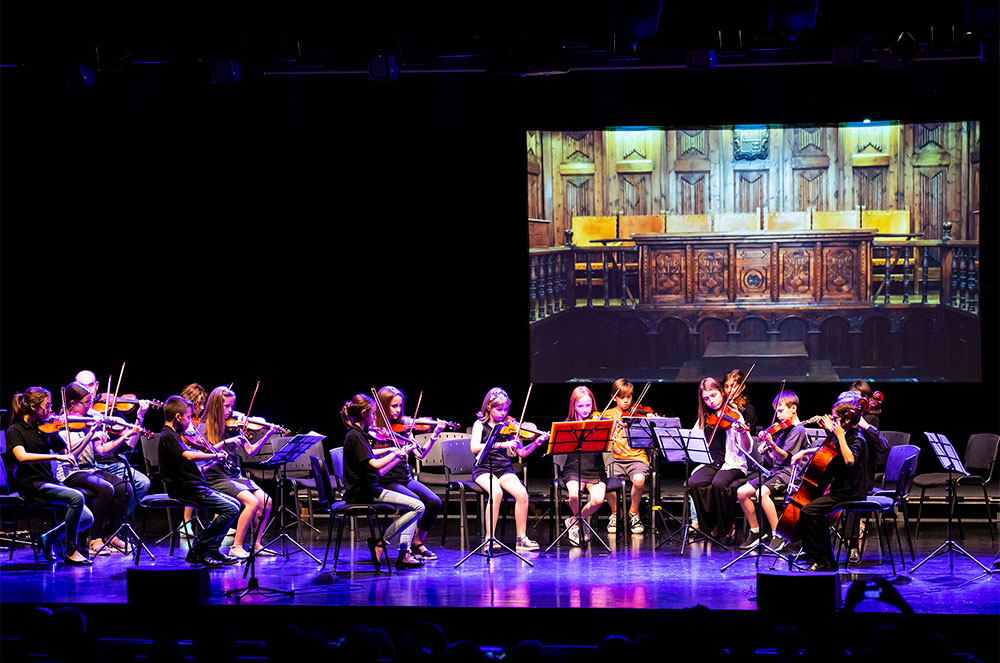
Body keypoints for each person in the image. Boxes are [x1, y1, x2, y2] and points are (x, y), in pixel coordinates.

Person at [789, 390, 887, 571]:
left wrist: (839, 435)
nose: (833, 422)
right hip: (840, 490)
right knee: (815, 512)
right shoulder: (848, 434)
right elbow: (833, 452)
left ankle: (822, 559)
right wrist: (834, 434)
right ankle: (825, 559)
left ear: (847, 420)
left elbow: (849, 460)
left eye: (835, 418)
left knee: (809, 511)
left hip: (850, 492)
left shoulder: (856, 437)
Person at [7, 387, 94, 565]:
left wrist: (89, 435)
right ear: (33, 407)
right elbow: (21, 457)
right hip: (30, 484)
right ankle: (71, 551)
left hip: (48, 481)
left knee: (87, 518)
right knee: (77, 497)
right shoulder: (15, 431)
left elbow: (70, 454)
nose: (50, 410)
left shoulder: (46, 428)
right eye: (47, 406)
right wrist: (55, 456)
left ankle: (47, 539)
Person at [341, 393, 426, 570]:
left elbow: (371, 455)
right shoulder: (355, 437)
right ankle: (381, 542)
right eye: (373, 414)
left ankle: (403, 554)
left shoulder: (359, 434)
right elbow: (376, 465)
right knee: (418, 506)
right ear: (364, 413)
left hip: (369, 488)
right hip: (364, 493)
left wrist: (392, 448)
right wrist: (396, 453)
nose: (375, 417)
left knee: (414, 506)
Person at [55, 381, 139, 556]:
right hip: (70, 472)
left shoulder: (87, 422)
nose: (89, 407)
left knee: (125, 488)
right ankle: (95, 539)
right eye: (86, 403)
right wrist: (90, 435)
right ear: (72, 403)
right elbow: (71, 454)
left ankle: (111, 534)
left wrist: (123, 437)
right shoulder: (61, 424)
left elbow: (101, 449)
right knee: (106, 489)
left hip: (90, 469)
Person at [157, 395, 241, 567]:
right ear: (178, 417)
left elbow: (195, 468)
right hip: (185, 489)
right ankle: (199, 549)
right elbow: (188, 455)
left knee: (234, 505)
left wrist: (213, 461)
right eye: (188, 417)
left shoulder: (176, 435)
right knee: (230, 508)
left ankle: (211, 548)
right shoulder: (168, 436)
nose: (190, 422)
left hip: (194, 485)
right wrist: (215, 454)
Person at [198, 386, 280, 560]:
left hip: (234, 475)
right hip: (216, 476)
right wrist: (226, 441)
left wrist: (268, 434)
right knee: (251, 502)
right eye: (226, 406)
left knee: (266, 502)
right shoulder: (204, 427)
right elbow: (203, 453)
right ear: (215, 406)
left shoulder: (234, 426)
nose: (230, 411)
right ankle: (237, 546)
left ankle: (257, 544)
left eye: (231, 406)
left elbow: (250, 451)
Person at [469, 387, 548, 553]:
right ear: (488, 407)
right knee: (496, 492)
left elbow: (521, 452)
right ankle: (489, 538)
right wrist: (501, 444)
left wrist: (535, 443)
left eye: (505, 409)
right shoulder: (480, 424)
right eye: (499, 409)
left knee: (521, 493)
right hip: (483, 468)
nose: (503, 413)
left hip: (503, 468)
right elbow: (474, 448)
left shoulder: (509, 426)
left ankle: (521, 538)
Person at [374, 386, 446, 560]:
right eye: (393, 406)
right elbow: (375, 463)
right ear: (383, 406)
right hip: (386, 480)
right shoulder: (375, 430)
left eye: (400, 406)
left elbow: (420, 454)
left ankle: (417, 543)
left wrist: (435, 433)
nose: (398, 411)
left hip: (404, 477)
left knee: (434, 502)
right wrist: (398, 452)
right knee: (415, 503)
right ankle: (403, 552)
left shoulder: (404, 427)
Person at [736, 390, 810, 551]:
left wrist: (773, 445)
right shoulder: (781, 429)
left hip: (790, 474)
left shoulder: (798, 430)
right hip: (776, 472)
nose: (778, 416)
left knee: (761, 493)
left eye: (781, 411)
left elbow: (785, 458)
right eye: (776, 412)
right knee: (742, 492)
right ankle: (756, 532)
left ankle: (779, 533)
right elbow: (773, 460)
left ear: (793, 409)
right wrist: (768, 451)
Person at [73, 369, 152, 514]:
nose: (87, 391)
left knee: (143, 483)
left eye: (90, 385)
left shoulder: (112, 411)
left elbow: (130, 444)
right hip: (88, 465)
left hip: (111, 464)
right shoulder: (73, 413)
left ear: (96, 386)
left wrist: (140, 417)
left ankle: (115, 522)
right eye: (81, 386)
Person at [689, 377, 753, 544]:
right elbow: (693, 440)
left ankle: (727, 525)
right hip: (712, 462)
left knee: (719, 483)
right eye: (706, 398)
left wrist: (743, 432)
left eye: (714, 395)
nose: (711, 401)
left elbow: (746, 449)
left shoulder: (734, 414)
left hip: (733, 463)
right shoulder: (704, 417)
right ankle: (710, 525)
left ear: (722, 393)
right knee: (695, 481)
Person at [558, 386, 607, 546]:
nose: (585, 410)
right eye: (580, 406)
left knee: (598, 500)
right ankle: (581, 523)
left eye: (588, 405)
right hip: (573, 468)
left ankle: (577, 521)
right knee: (574, 495)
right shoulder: (567, 425)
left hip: (595, 469)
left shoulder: (601, 422)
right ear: (573, 406)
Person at [601, 379, 648, 535]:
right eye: (622, 397)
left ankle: (633, 513)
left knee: (639, 480)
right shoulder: (607, 415)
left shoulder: (639, 413)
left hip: (636, 457)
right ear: (614, 398)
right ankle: (616, 513)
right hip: (615, 458)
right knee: (606, 480)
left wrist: (650, 420)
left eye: (629, 396)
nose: (627, 400)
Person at [179, 383, 208, 530]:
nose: (202, 408)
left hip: (196, 459)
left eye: (203, 404)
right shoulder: (180, 420)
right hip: (182, 461)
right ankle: (186, 521)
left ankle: (218, 521)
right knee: (198, 473)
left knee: (216, 471)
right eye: (198, 404)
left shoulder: (200, 421)